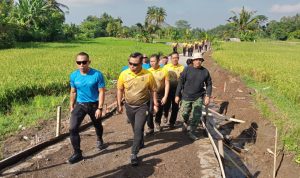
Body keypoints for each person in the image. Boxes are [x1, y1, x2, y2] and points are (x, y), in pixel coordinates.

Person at [117, 52, 158, 166]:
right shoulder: (124, 74)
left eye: (135, 64)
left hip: (143, 106)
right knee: (135, 129)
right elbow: (120, 89)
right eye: (130, 64)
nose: (132, 67)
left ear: (141, 63)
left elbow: (153, 90)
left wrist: (155, 104)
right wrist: (119, 104)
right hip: (129, 106)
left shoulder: (148, 75)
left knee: (139, 128)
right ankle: (141, 141)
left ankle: (134, 153)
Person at [68, 52, 106, 164]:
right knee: (72, 128)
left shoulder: (97, 74)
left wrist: (100, 108)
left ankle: (99, 139)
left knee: (97, 124)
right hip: (80, 105)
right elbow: (73, 91)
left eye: (84, 62)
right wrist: (71, 105)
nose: (81, 64)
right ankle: (77, 153)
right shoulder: (74, 75)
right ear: (76, 63)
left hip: (94, 104)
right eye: (79, 62)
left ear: (89, 62)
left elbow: (101, 92)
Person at [175, 53, 212, 140]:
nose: (198, 61)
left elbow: (209, 84)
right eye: (196, 60)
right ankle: (185, 121)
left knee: (196, 115)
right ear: (193, 61)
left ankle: (192, 131)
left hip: (198, 96)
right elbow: (180, 82)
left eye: (200, 60)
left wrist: (208, 96)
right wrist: (177, 95)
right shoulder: (187, 70)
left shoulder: (205, 72)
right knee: (184, 113)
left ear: (202, 61)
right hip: (186, 96)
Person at [145, 54, 170, 135]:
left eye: (153, 61)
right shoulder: (148, 71)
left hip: (161, 94)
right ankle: (150, 127)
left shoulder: (164, 71)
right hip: (150, 94)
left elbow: (167, 84)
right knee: (149, 111)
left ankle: (157, 123)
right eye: (151, 61)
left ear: (158, 61)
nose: (152, 63)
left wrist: (165, 96)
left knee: (159, 110)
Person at [162, 52, 184, 129]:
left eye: (176, 57)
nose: (175, 59)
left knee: (175, 106)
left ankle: (172, 122)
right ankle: (165, 114)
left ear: (178, 58)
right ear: (171, 59)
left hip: (177, 90)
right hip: (167, 89)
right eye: (173, 58)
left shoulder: (182, 68)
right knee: (166, 105)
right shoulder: (166, 67)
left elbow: (184, 80)